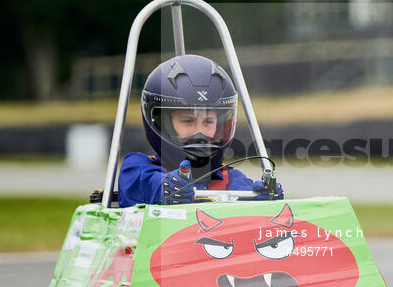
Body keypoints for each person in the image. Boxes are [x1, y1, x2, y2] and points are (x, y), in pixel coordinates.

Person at [118, 54, 279, 206]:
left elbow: (246, 206)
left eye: (208, 122)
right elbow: (146, 187)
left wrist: (262, 201)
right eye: (188, 121)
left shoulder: (230, 179)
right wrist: (168, 187)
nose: (199, 132)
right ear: (162, 124)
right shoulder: (137, 168)